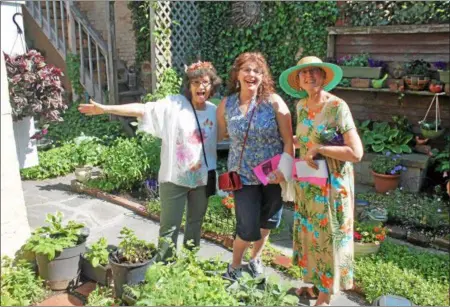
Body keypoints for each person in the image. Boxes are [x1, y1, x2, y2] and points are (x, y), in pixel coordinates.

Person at [78, 61, 222, 261]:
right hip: (174, 178)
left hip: (203, 178)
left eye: (205, 82)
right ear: (189, 86)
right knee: (169, 227)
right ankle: (165, 266)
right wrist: (105, 108)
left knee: (196, 223)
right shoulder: (175, 104)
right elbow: (143, 109)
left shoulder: (215, 111)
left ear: (212, 85)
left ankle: (190, 264)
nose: (201, 86)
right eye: (195, 82)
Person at [279, 56, 364, 306]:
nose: (309, 76)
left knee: (329, 238)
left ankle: (326, 296)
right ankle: (317, 286)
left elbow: (356, 153)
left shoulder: (338, 106)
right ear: (298, 80)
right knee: (312, 236)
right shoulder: (301, 106)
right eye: (304, 73)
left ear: (324, 77)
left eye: (315, 72)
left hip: (332, 187)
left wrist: (321, 148)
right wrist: (286, 141)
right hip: (308, 184)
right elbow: (304, 140)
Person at [217, 52, 294, 280]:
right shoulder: (226, 104)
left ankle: (254, 258)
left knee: (268, 219)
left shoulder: (273, 102)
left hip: (272, 175)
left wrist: (285, 170)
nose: (252, 74)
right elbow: (219, 134)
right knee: (247, 225)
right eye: (247, 70)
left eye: (257, 71)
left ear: (263, 76)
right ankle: (235, 265)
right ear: (237, 74)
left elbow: (289, 140)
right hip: (242, 176)